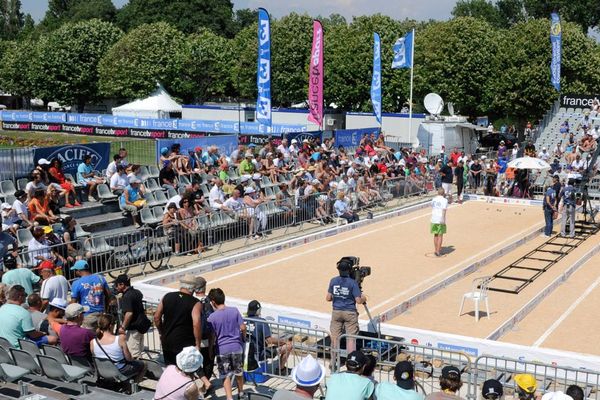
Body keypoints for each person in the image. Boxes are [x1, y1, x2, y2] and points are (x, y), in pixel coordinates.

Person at [154, 275, 203, 366]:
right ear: (193, 288)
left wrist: (161, 332)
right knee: (184, 372)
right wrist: (198, 344)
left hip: (167, 340)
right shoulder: (195, 303)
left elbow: (157, 317)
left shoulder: (167, 296)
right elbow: (196, 324)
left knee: (170, 370)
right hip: (185, 344)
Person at [207, 288, 246, 400]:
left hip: (222, 349)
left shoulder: (212, 318)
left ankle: (229, 398)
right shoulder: (234, 310)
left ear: (213, 302)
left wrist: (210, 350)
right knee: (239, 372)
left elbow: (212, 337)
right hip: (236, 346)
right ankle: (241, 393)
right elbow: (243, 327)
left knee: (225, 375)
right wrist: (243, 338)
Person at [326, 258, 366, 360]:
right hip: (349, 313)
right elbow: (358, 300)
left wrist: (339, 295)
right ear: (349, 270)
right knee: (350, 339)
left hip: (336, 312)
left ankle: (333, 361)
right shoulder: (353, 283)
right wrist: (364, 298)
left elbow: (328, 298)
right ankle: (350, 361)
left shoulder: (333, 280)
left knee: (335, 339)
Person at [90, 313, 146, 383]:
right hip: (118, 371)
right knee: (143, 364)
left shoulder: (93, 341)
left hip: (102, 371)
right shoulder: (120, 339)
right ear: (110, 326)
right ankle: (131, 386)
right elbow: (129, 358)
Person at [246, 300, 292, 374]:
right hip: (258, 354)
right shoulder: (261, 322)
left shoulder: (243, 320)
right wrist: (283, 341)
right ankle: (281, 370)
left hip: (244, 354)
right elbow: (270, 340)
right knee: (288, 346)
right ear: (258, 310)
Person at [115, 274, 151, 359]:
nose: (116, 288)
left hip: (134, 329)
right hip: (141, 326)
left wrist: (123, 327)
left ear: (122, 285)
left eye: (117, 285)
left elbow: (129, 313)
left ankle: (140, 370)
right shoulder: (137, 292)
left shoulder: (127, 296)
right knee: (139, 350)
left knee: (133, 354)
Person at [70, 259, 111, 329]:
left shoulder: (76, 283)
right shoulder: (100, 278)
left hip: (87, 317)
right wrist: (106, 310)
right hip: (101, 315)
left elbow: (73, 303)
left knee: (88, 339)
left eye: (75, 270)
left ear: (79, 271)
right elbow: (108, 295)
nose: (75, 272)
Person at [59, 303, 96, 367]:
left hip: (72, 364)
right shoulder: (85, 333)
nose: (84, 316)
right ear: (79, 316)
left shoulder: (62, 328)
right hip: (88, 366)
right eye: (83, 313)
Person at [431, 188, 449, 257]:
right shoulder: (445, 200)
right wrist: (443, 219)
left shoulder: (434, 199)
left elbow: (432, 206)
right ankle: (438, 252)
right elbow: (444, 210)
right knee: (440, 235)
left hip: (433, 218)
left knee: (435, 235)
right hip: (440, 219)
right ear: (443, 193)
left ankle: (436, 250)